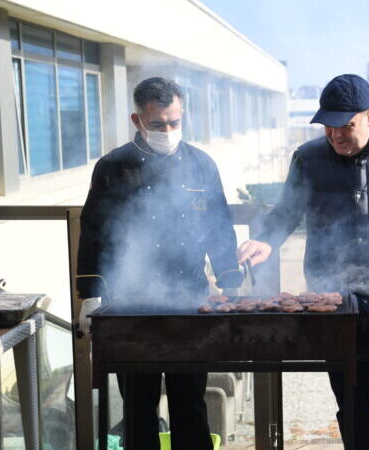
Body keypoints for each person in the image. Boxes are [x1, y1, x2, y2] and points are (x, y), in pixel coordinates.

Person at [237, 74, 369, 449]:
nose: (335, 136)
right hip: (336, 295)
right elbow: (286, 211)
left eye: (345, 126)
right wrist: (267, 241)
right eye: (328, 127)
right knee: (352, 398)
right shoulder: (308, 158)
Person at [76, 77, 242, 450]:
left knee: (190, 403)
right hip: (131, 304)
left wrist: (230, 283)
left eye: (174, 123)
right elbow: (93, 232)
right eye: (157, 124)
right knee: (137, 405)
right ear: (137, 121)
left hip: (190, 299)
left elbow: (219, 227)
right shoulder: (112, 167)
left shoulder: (201, 164)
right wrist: (90, 294)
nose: (168, 131)